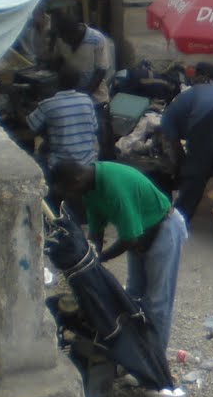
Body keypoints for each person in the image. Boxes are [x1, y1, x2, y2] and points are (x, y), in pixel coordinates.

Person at [50, 159, 188, 373]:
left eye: (69, 190)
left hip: (163, 230)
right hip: (141, 234)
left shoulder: (113, 187)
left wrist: (101, 258)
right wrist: (89, 258)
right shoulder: (90, 188)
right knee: (132, 296)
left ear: (76, 180)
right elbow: (96, 230)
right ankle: (135, 353)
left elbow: (130, 238)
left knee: (157, 301)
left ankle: (155, 362)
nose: (70, 196)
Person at [158, 63, 213, 221]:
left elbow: (176, 148)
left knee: (196, 169)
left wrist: (182, 166)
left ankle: (181, 216)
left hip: (206, 111)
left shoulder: (166, 120)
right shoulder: (184, 99)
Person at [50, 12, 115, 146]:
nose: (64, 41)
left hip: (96, 98)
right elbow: (57, 62)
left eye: (66, 38)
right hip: (70, 99)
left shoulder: (97, 39)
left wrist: (83, 96)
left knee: (102, 137)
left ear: (74, 33)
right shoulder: (61, 39)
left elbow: (101, 70)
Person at [27, 69, 100, 171]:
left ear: (57, 81)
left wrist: (15, 102)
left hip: (60, 164)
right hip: (88, 161)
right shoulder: (86, 100)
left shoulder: (48, 104)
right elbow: (95, 127)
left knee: (39, 151)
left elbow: (31, 126)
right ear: (78, 82)